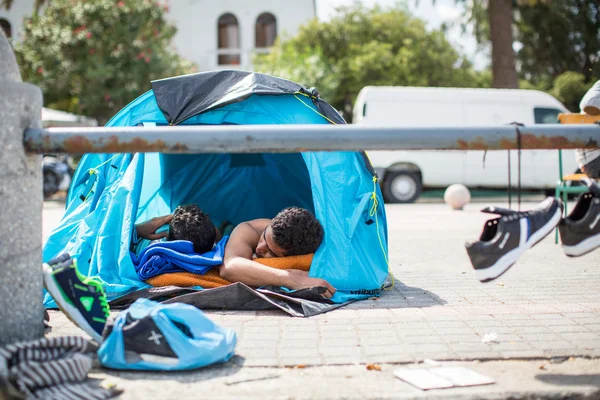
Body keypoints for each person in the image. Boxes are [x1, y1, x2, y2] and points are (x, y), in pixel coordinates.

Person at [136, 206, 336, 298]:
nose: (259, 249)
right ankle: (224, 227)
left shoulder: (302, 243)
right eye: (264, 238)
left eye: (271, 255)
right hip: (231, 240)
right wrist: (290, 277)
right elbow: (229, 268)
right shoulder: (249, 228)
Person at [133, 204, 217, 254]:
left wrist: (138, 230)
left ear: (165, 238)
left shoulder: (151, 252)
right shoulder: (210, 248)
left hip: (140, 238)